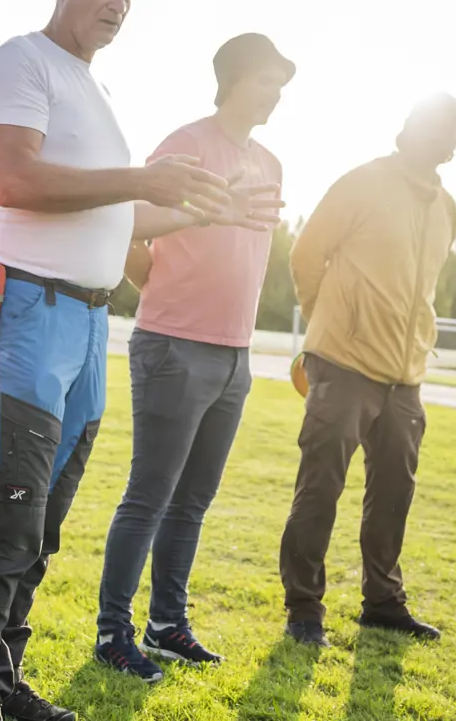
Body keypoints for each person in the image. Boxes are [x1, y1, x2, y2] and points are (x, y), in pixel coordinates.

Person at [0, 0, 241, 721]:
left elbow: (115, 210)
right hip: (29, 313)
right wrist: (143, 177)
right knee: (10, 512)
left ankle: (4, 678)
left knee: (45, 521)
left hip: (89, 325)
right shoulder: (21, 62)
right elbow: (16, 179)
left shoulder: (94, 88)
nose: (119, 5)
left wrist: (197, 209)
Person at [92, 33, 293, 683]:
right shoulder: (187, 144)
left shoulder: (271, 164)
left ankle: (166, 626)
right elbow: (125, 223)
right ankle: (113, 633)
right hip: (173, 347)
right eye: (267, 80)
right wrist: (160, 290)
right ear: (234, 79)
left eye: (281, 83)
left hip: (236, 356)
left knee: (193, 501)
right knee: (149, 495)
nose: (276, 93)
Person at [277, 94, 456, 648]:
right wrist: (329, 324)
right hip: (343, 364)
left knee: (393, 494)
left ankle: (382, 602)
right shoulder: (362, 182)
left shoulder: (446, 207)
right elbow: (305, 254)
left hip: (405, 379)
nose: (447, 136)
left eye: (455, 129)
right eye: (436, 125)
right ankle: (304, 608)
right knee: (320, 489)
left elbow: (422, 287)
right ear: (408, 128)